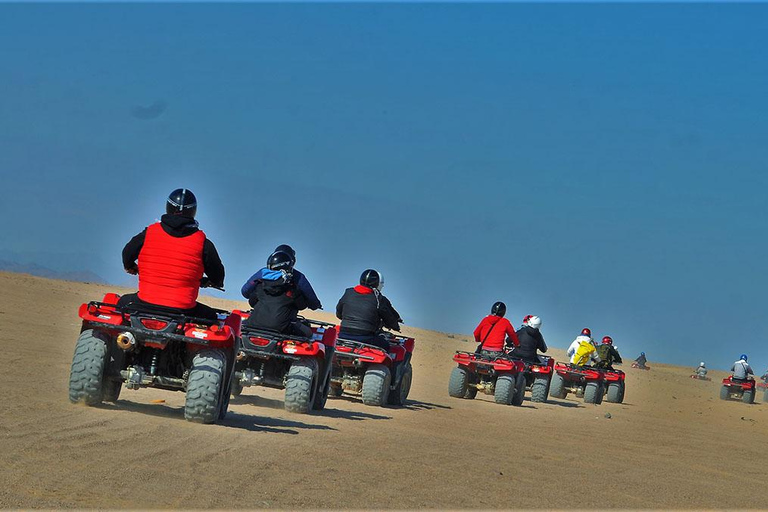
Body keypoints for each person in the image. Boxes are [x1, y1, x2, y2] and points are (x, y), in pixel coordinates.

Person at [118, 188, 224, 321]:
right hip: (183, 311)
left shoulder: (149, 233)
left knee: (120, 304)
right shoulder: (203, 243)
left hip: (144, 304)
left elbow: (127, 253)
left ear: (168, 207)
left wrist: (131, 267)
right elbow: (218, 276)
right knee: (212, 317)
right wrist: (208, 281)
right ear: (193, 211)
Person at [242, 251, 312, 338]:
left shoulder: (260, 283)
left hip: (254, 325)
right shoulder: (292, 288)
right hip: (281, 329)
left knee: (240, 327)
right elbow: (302, 305)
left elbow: (252, 301)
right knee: (309, 333)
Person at [336, 269, 402, 351]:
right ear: (377, 283)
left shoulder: (348, 292)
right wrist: (396, 327)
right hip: (365, 337)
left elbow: (338, 313)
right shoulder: (378, 298)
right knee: (386, 345)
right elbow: (389, 317)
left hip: (344, 333)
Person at [241, 244, 322, 310]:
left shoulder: (262, 273)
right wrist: (315, 305)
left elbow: (245, 291)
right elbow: (312, 299)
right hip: (284, 322)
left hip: (257, 317)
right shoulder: (298, 276)